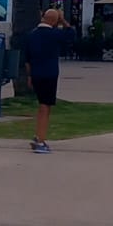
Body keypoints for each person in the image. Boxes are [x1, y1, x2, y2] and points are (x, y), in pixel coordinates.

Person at [24, 8, 75, 153]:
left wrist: (29, 76)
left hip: (36, 74)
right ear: (54, 21)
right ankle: (41, 141)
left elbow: (27, 60)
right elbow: (71, 34)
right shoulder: (54, 35)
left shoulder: (31, 35)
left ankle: (38, 135)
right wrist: (63, 20)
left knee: (41, 105)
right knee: (45, 108)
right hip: (49, 74)